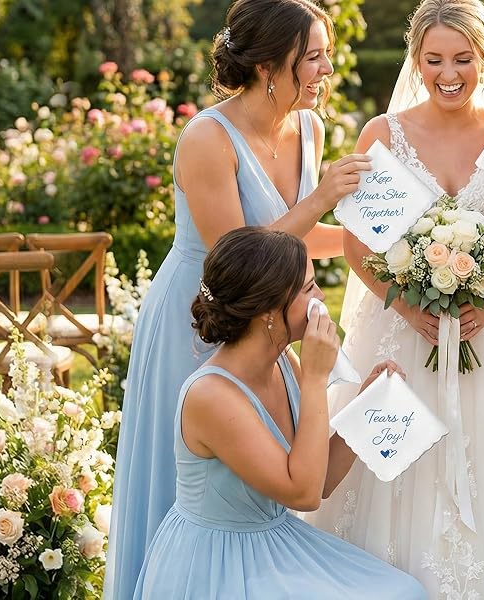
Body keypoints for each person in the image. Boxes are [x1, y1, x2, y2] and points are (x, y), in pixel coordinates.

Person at [304, 1, 484, 597]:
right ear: (416, 60)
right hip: (399, 334)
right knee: (394, 464)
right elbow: (358, 246)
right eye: (434, 59)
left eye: (463, 58)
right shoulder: (382, 134)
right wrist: (407, 308)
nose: (448, 73)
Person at [105, 0, 371, 595]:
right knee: (192, 475)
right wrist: (323, 198)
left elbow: (296, 237)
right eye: (313, 57)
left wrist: (374, 242)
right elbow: (239, 255)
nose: (327, 69)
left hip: (270, 316)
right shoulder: (207, 138)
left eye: (327, 54)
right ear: (268, 66)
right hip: (201, 312)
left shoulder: (308, 127)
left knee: (258, 474)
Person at [134, 227, 425, 599]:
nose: (321, 298)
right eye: (308, 289)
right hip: (216, 562)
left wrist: (367, 407)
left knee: (405, 590)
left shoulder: (284, 361)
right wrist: (316, 378)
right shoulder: (212, 396)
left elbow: (320, 480)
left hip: (273, 542)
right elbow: (304, 494)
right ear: (269, 312)